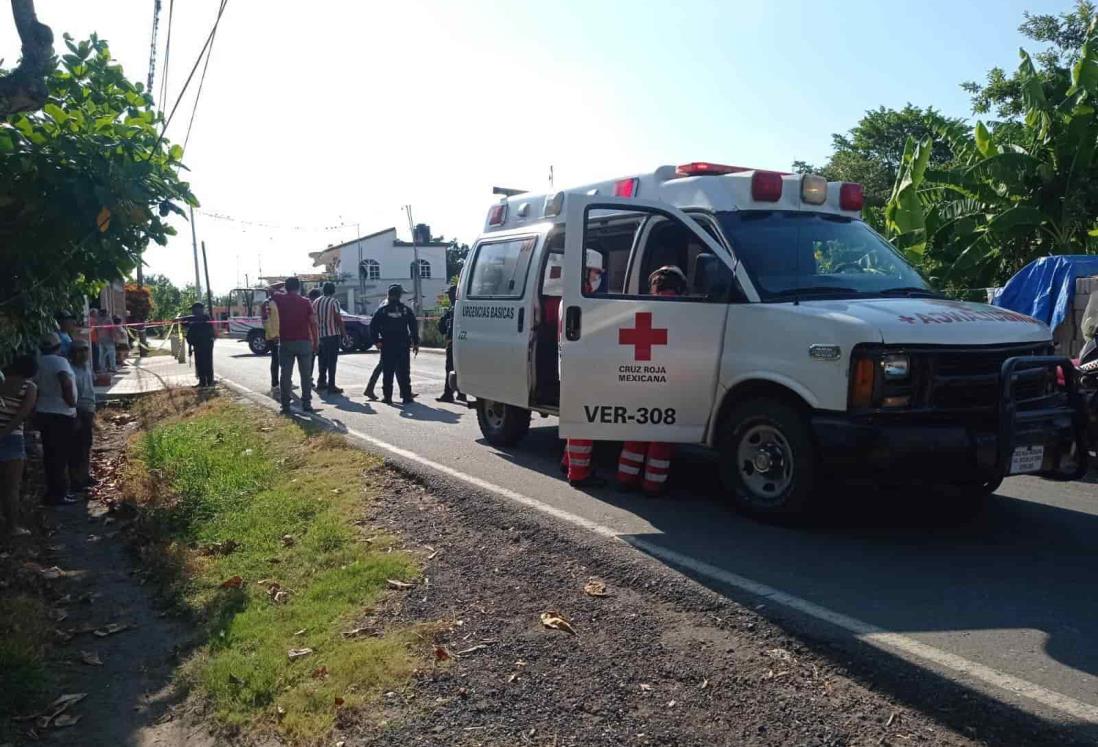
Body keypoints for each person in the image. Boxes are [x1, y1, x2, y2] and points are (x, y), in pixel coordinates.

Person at [615, 265, 687, 496]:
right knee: (662, 435)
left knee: (636, 430)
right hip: (668, 379)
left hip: (640, 378)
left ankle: (626, 478)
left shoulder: (641, 307)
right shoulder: (686, 311)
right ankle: (653, 485)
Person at [560, 250, 605, 487]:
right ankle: (579, 475)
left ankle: (569, 462)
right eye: (596, 272)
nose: (599, 277)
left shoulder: (572, 297)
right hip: (582, 369)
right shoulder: (581, 301)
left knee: (575, 420)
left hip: (574, 368)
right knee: (583, 424)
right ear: (585, 272)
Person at [35, 333, 79, 505]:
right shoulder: (60, 362)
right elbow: (65, 381)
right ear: (58, 346)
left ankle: (53, 492)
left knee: (50, 455)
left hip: (43, 412)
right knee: (61, 455)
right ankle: (60, 493)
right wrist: (72, 403)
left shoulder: (38, 362)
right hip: (61, 413)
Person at [0, 354, 38, 535]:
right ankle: (12, 526)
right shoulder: (29, 387)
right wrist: (4, 433)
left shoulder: (2, 381)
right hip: (12, 438)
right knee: (11, 487)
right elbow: (22, 415)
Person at [272, 276, 318, 414]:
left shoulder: (280, 299)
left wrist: (282, 285)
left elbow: (270, 289)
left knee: (285, 375)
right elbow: (313, 323)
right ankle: (307, 404)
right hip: (304, 341)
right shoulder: (305, 302)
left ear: (286, 287)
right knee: (306, 375)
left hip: (286, 342)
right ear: (299, 287)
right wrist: (316, 341)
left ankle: (285, 405)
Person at [369, 284, 418, 405]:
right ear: (400, 296)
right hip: (403, 344)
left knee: (388, 372)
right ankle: (406, 396)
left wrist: (377, 341)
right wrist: (415, 343)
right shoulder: (406, 310)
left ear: (388, 295)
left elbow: (373, 327)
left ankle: (388, 397)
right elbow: (413, 327)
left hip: (388, 344)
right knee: (404, 372)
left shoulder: (382, 310)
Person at [68, 339, 97, 492]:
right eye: (79, 350)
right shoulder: (71, 370)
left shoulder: (86, 366)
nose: (83, 353)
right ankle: (76, 479)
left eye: (85, 349)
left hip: (88, 409)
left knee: (86, 444)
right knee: (77, 447)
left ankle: (85, 475)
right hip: (78, 411)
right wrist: (77, 415)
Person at [313, 282, 346, 394]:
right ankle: (331, 385)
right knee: (332, 361)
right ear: (333, 291)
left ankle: (321, 382)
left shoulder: (316, 302)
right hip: (332, 335)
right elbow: (338, 318)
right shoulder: (334, 302)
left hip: (320, 335)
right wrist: (344, 333)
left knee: (322, 360)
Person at [436, 284, 465, 403]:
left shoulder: (456, 308)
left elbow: (444, 326)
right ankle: (461, 393)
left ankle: (448, 394)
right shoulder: (456, 307)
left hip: (454, 342)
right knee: (458, 368)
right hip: (461, 342)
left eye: (450, 294)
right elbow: (442, 325)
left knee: (450, 368)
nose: (449, 297)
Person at [184, 302, 216, 387]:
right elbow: (189, 324)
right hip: (198, 345)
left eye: (194, 310)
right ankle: (202, 382)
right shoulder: (196, 319)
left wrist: (185, 320)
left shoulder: (205, 317)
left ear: (198, 309)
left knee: (207, 363)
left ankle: (209, 382)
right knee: (199, 364)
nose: (192, 312)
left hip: (205, 344)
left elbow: (193, 322)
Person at [262, 287, 282, 391]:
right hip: (273, 336)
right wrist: (273, 335)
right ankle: (275, 384)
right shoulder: (268, 303)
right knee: (275, 361)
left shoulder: (280, 302)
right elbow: (265, 320)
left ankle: (287, 382)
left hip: (282, 336)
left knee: (285, 362)